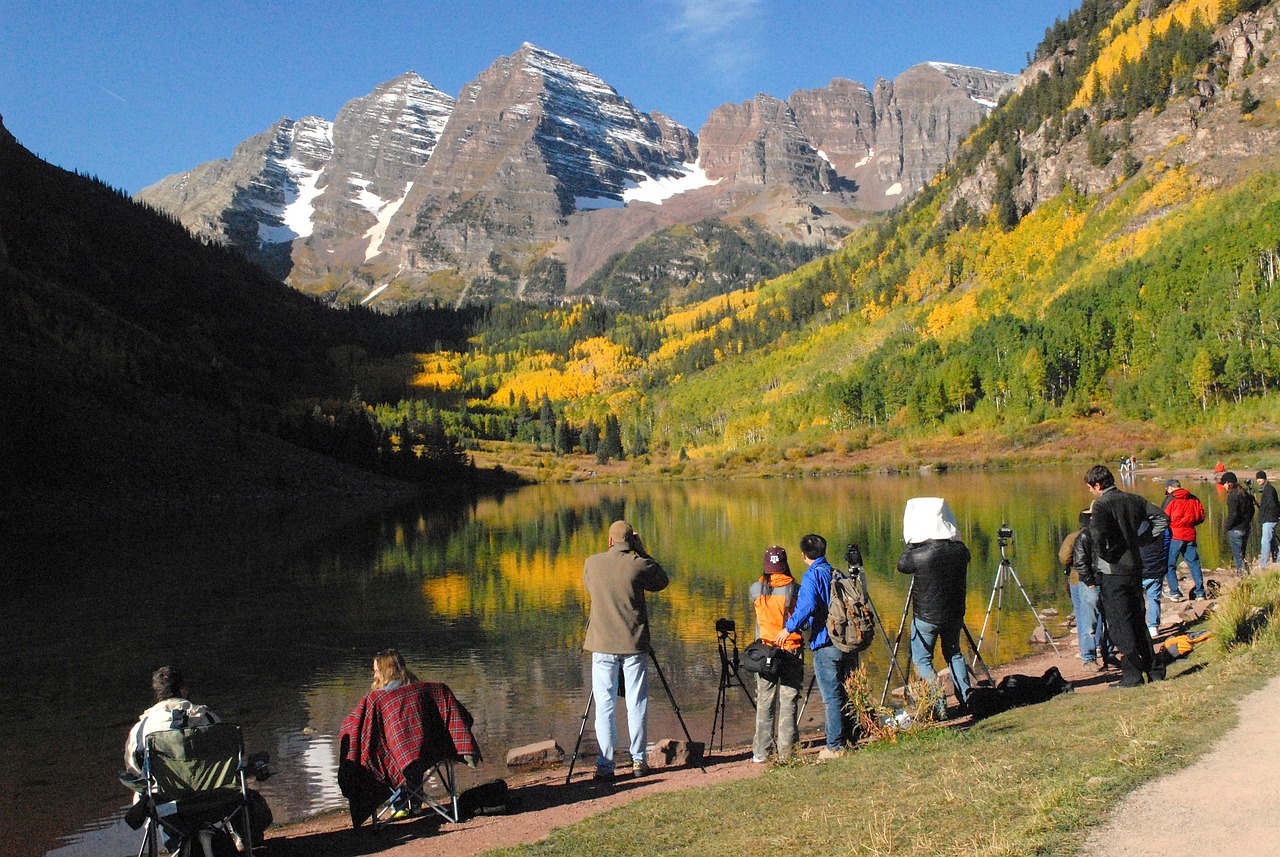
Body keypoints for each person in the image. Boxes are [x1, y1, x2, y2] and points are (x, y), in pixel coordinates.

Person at [582, 520, 669, 781]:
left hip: (602, 644)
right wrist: (642, 551)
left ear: (609, 540)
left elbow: (591, 589)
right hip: (634, 644)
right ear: (631, 540)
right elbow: (661, 581)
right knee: (636, 702)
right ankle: (639, 761)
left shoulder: (592, 563)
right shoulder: (639, 564)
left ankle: (606, 765)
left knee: (605, 705)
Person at [1085, 465, 1168, 687]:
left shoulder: (1102, 504)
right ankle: (1155, 670)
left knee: (1121, 625)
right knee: (1138, 621)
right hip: (1135, 568)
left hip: (1114, 572)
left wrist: (1107, 555)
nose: (1091, 493)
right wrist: (1142, 540)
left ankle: (1131, 676)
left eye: (1091, 488)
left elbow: (1097, 536)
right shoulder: (1134, 499)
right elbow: (1162, 519)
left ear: (1098, 485)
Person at [774, 533, 856, 759]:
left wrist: (788, 628)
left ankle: (835, 746)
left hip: (825, 641)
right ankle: (850, 737)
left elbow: (808, 605)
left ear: (803, 555)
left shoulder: (811, 576)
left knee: (831, 697)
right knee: (846, 691)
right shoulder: (836, 572)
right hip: (845, 640)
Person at [896, 498, 971, 718]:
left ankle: (939, 702)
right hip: (954, 613)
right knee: (954, 654)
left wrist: (910, 543)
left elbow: (902, 566)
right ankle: (967, 699)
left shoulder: (918, 555)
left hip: (926, 616)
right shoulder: (960, 550)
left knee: (922, 660)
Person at [749, 545, 803, 763]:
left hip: (764, 652)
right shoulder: (794, 588)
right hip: (790, 649)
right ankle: (787, 752)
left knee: (764, 701)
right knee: (789, 700)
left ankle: (761, 753)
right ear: (784, 564)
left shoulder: (755, 588)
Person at [124, 666, 220, 778]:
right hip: (213, 792)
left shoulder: (142, 728)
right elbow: (234, 755)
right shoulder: (209, 718)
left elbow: (134, 768)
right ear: (183, 690)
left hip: (162, 794)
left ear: (157, 693)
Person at [1060, 509, 1106, 671]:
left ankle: (1086, 650)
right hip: (1097, 579)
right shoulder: (1100, 535)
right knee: (1098, 614)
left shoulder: (1073, 537)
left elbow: (1064, 557)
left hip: (1077, 579)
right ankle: (1099, 646)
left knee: (1082, 616)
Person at [1162, 479, 1207, 601]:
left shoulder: (1171, 499)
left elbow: (1163, 518)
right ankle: (1200, 592)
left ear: (1170, 488)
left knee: (1169, 565)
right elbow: (1201, 516)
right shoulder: (1193, 498)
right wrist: (1191, 523)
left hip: (1175, 535)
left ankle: (1175, 592)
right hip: (1190, 534)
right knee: (1194, 564)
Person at [1222, 472, 1255, 573]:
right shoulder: (1244, 493)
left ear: (1229, 483)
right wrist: (1247, 521)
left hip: (1236, 529)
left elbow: (1233, 514)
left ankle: (1243, 576)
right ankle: (1247, 574)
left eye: (1224, 484)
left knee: (1238, 556)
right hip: (1245, 528)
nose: (1223, 486)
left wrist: (1227, 526)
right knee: (1243, 554)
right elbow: (1252, 510)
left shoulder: (1232, 496)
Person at [1257, 471, 1278, 569]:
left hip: (1269, 519)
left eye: (1260, 478)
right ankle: (1277, 560)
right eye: (1257, 478)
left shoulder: (1268, 490)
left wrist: (1271, 514)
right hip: (1270, 518)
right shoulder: (1267, 489)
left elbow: (1272, 504)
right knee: (1272, 540)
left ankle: (1264, 563)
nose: (1258, 480)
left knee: (1265, 541)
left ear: (1265, 478)